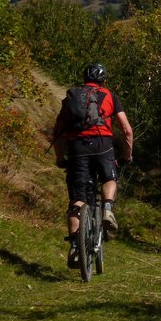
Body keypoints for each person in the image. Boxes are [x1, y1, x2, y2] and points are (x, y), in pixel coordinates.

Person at [52, 62, 133, 269]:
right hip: (102, 145)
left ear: (84, 78)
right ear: (103, 80)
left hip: (77, 147)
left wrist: (60, 158)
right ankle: (107, 208)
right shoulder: (110, 96)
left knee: (77, 199)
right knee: (109, 178)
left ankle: (75, 247)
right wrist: (127, 155)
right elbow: (126, 130)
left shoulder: (71, 97)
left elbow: (58, 132)